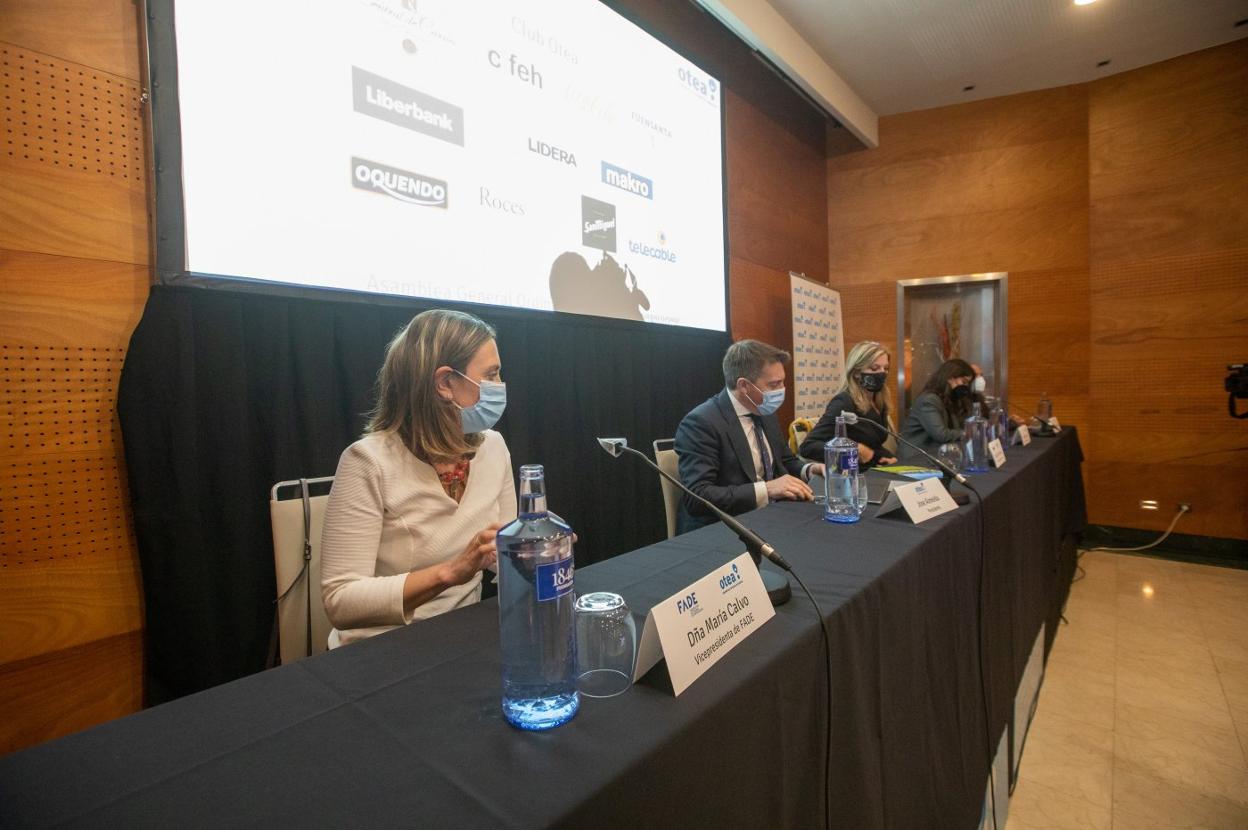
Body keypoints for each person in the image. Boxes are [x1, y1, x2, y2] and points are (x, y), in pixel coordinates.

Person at [320, 309, 517, 646]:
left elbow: (504, 552)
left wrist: (537, 547)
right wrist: (450, 573)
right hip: (382, 647)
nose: (500, 386)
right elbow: (341, 600)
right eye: (492, 374)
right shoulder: (368, 461)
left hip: (461, 636)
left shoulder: (493, 447)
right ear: (444, 383)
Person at [674, 339, 823, 535]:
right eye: (774, 384)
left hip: (769, 520)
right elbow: (698, 497)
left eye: (782, 381)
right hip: (722, 529)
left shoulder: (764, 412)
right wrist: (767, 489)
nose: (782, 389)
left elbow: (784, 461)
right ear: (744, 386)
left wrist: (810, 469)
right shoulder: (701, 423)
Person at [799, 340, 898, 468]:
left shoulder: (879, 401)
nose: (882, 373)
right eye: (874, 368)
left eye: (886, 368)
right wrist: (852, 450)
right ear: (856, 372)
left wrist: (886, 458)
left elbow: (873, 445)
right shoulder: (843, 403)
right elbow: (808, 447)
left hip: (875, 468)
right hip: (851, 474)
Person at [899, 358, 975, 464]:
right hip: (916, 457)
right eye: (964, 382)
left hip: (936, 455)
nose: (966, 386)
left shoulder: (950, 399)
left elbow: (958, 427)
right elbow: (941, 434)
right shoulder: (929, 400)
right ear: (950, 378)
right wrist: (968, 433)